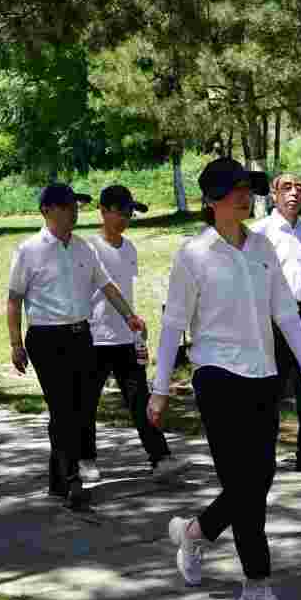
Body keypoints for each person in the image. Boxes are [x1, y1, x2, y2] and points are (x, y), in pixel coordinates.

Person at [147, 158, 301, 600]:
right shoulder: (193, 254)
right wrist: (159, 388)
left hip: (263, 375)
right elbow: (173, 325)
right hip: (216, 377)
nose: (245, 197)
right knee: (245, 487)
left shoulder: (262, 246)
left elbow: (286, 312)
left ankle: (195, 532)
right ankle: (256, 589)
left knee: (258, 480)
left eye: (248, 189)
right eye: (235, 190)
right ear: (211, 200)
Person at [7, 183, 146, 511]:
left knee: (78, 410)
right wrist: (15, 343)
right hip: (46, 338)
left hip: (81, 335)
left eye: (76, 206)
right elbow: (14, 299)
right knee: (63, 409)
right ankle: (71, 480)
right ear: (47, 210)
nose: (74, 212)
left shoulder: (84, 248)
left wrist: (129, 316)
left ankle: (59, 480)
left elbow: (107, 286)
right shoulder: (29, 250)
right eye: (67, 206)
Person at [80, 184, 184, 482]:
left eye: (130, 213)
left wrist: (136, 324)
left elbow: (125, 291)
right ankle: (85, 459)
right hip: (94, 337)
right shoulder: (88, 248)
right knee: (87, 403)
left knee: (141, 400)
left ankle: (160, 458)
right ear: (103, 211)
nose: (126, 218)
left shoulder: (129, 248)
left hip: (126, 338)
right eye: (121, 212)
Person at [251, 173, 301, 472]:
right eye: (286, 188)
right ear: (274, 194)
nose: (294, 193)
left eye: (300, 189)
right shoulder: (260, 232)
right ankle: (261, 454)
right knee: (271, 386)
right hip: (272, 316)